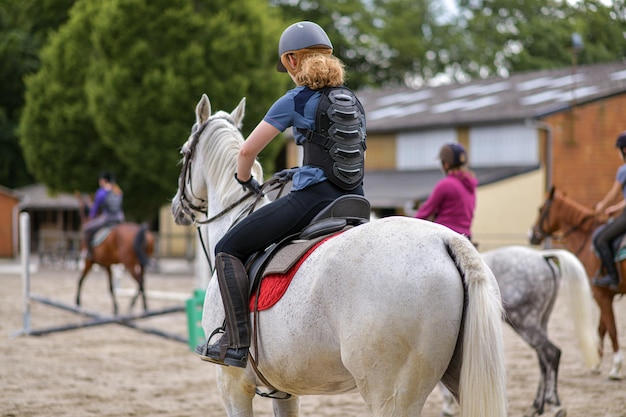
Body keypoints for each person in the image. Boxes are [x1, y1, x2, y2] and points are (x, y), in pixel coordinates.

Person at [195, 21, 366, 368]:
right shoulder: (353, 99)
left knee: (227, 246)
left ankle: (237, 344)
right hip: (356, 202)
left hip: (314, 201)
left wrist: (244, 179)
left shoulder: (295, 99)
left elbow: (245, 153)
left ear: (291, 60)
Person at [414, 143, 478, 242]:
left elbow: (425, 211)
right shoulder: (470, 185)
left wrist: (409, 224)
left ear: (446, 164)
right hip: (466, 238)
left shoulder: (446, 184)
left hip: (446, 236)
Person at [592, 131, 626, 290]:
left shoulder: (623, 170)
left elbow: (613, 194)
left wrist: (602, 206)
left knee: (601, 239)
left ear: (624, 150)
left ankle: (613, 277)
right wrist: (616, 208)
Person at [81, 171, 125, 259]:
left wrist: (91, 216)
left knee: (87, 229)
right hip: (120, 218)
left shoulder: (101, 192)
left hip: (107, 219)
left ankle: (89, 252)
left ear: (104, 180)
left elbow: (96, 207)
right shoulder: (118, 191)